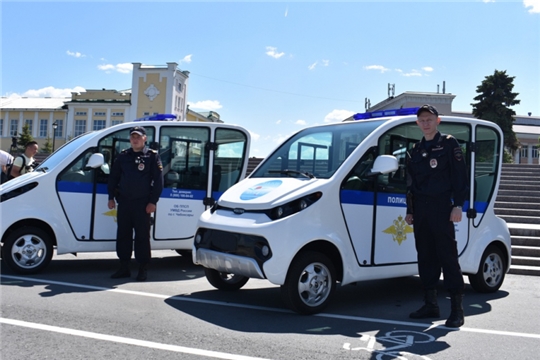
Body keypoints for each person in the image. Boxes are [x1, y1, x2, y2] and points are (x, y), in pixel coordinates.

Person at [405, 104, 468, 328]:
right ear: (417, 123)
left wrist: (458, 204)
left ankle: (457, 310)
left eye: (429, 119)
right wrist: (409, 210)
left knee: (447, 256)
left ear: (437, 120)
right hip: (421, 209)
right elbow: (410, 183)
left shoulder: (449, 144)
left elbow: (460, 176)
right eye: (421, 120)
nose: (425, 123)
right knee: (425, 256)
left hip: (443, 207)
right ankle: (430, 304)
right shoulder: (414, 149)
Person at [107, 126, 163, 281]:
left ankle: (142, 269)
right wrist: (111, 197)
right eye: (133, 137)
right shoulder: (123, 156)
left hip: (142, 204)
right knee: (123, 235)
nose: (135, 139)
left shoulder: (152, 156)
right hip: (124, 202)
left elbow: (158, 181)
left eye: (138, 137)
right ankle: (124, 267)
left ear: (145, 138)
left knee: (142, 237)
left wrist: (153, 202)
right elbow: (113, 178)